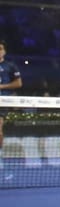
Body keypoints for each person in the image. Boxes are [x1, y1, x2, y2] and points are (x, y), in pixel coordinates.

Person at [0, 41, 22, 179]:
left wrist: (1, 87)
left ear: (4, 51)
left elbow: (18, 83)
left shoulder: (10, 66)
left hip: (1, 102)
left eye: (0, 49)